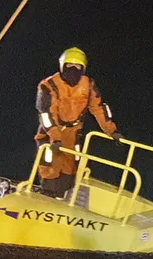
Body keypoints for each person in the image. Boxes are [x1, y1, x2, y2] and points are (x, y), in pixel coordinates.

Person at [34, 47, 122, 198]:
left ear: (83, 69)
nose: (73, 70)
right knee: (50, 162)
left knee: (71, 165)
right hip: (51, 132)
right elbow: (46, 113)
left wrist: (111, 131)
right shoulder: (48, 85)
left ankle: (66, 196)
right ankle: (48, 194)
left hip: (73, 132)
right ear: (62, 66)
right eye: (69, 66)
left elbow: (99, 108)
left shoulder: (88, 85)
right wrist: (55, 137)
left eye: (77, 67)